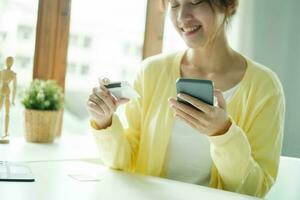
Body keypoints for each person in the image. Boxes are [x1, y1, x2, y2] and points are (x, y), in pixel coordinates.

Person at [86, 0, 285, 198]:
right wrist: (105, 122)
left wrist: (223, 133)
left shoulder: (265, 87)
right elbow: (125, 163)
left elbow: (255, 189)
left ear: (228, 4)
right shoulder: (151, 71)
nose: (182, 17)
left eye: (195, 1)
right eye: (174, 5)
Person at [0, 57, 17, 143]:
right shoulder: (2, 72)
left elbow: (14, 88)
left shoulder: (13, 74)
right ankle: (4, 132)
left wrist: (13, 99)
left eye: (10, 62)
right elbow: (14, 88)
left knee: (7, 113)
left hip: (6, 93)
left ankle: (6, 132)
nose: (9, 63)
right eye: (8, 61)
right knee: (5, 113)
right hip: (2, 92)